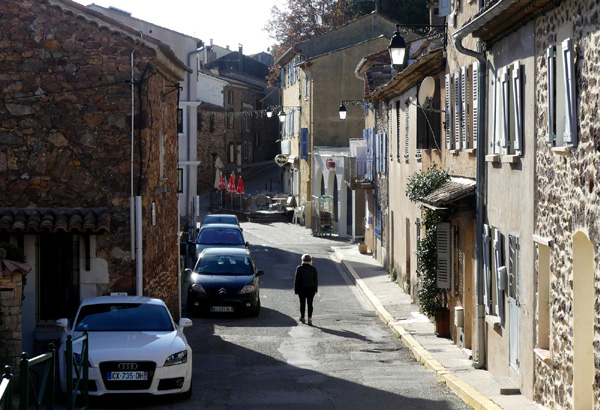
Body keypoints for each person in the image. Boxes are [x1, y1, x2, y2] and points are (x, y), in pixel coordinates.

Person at [294, 254, 318, 326]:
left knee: (302, 303)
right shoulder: (313, 268)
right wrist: (316, 289)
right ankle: (310, 318)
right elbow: (315, 280)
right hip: (311, 288)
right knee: (310, 304)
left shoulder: (299, 268)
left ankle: (303, 317)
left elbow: (297, 280)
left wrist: (296, 289)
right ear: (310, 260)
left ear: (303, 260)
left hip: (301, 288)